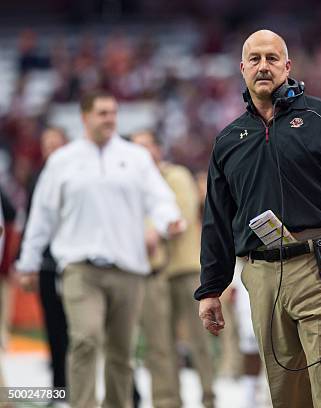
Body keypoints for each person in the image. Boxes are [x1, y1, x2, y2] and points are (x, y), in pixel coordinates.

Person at [195, 29, 321, 407]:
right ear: (243, 68)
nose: (264, 66)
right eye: (256, 59)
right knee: (285, 393)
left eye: (272, 58)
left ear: (288, 66)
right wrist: (211, 288)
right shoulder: (230, 139)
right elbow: (217, 219)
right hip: (262, 275)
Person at [16, 91, 183, 408]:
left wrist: (169, 220)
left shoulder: (135, 157)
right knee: (86, 338)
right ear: (84, 117)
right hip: (81, 267)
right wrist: (28, 263)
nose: (110, 119)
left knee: (122, 351)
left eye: (113, 113)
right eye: (103, 113)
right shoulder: (62, 161)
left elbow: (159, 198)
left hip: (128, 268)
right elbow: (42, 216)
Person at [131, 130, 216, 408]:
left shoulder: (176, 176)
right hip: (153, 273)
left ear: (157, 149)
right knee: (159, 345)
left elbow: (179, 215)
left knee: (198, 340)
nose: (142, 154)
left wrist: (152, 231)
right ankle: (166, 401)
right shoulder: (134, 183)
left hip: (185, 268)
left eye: (146, 147)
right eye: (136, 148)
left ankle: (208, 398)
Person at [18, 126, 69, 395]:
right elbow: (32, 221)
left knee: (84, 328)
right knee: (53, 325)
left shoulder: (77, 174)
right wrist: (26, 261)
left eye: (56, 143)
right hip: (49, 263)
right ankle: (60, 387)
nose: (51, 149)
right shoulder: (38, 177)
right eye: (46, 144)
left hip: (74, 261)